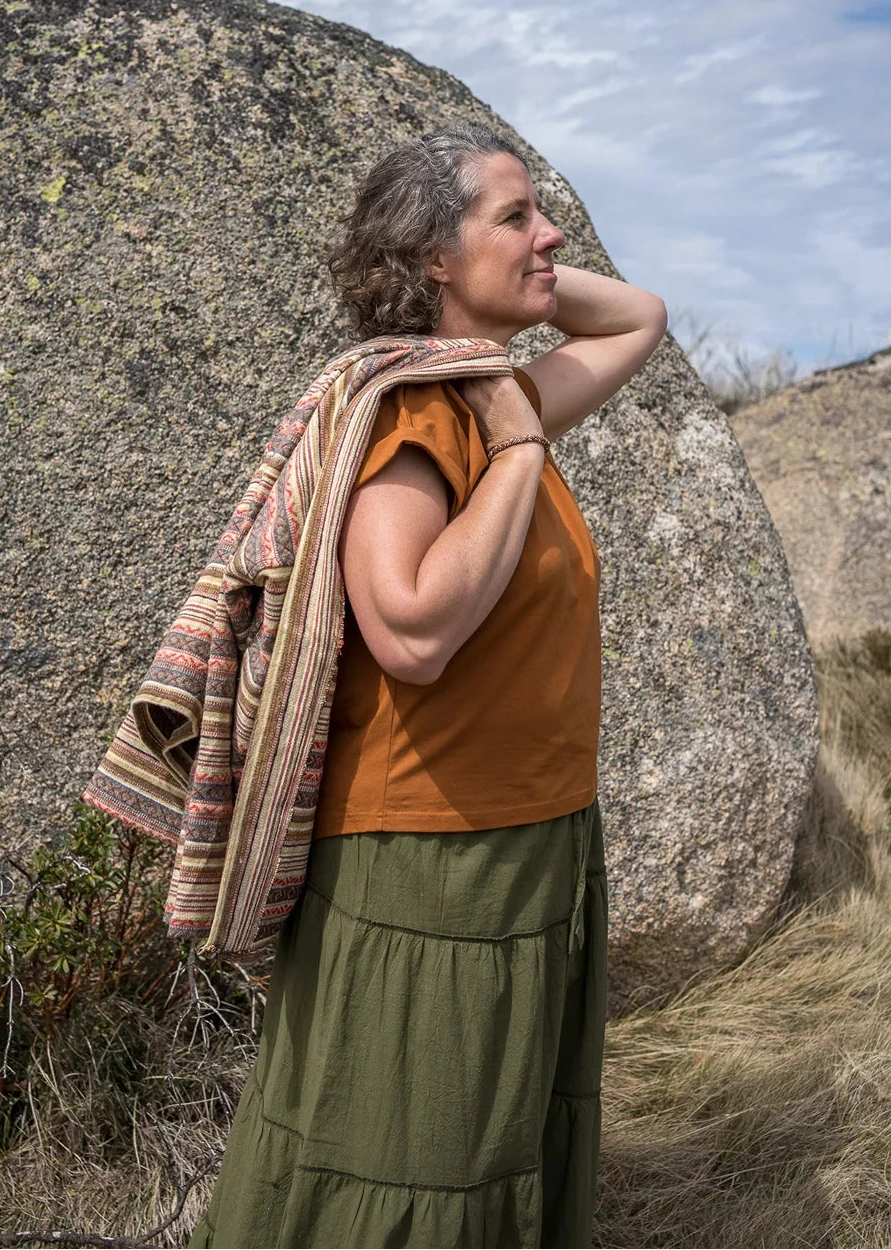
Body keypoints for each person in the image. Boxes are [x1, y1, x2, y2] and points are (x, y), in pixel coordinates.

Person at [187, 122, 666, 1250]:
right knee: (406, 1155)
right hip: (429, 858)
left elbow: (638, 315)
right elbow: (408, 629)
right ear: (431, 255)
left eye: (543, 212)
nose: (550, 234)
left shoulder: (491, 399)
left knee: (483, 1143)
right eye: (517, 216)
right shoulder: (412, 418)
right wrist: (512, 453)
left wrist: (518, 277)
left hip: (525, 835)